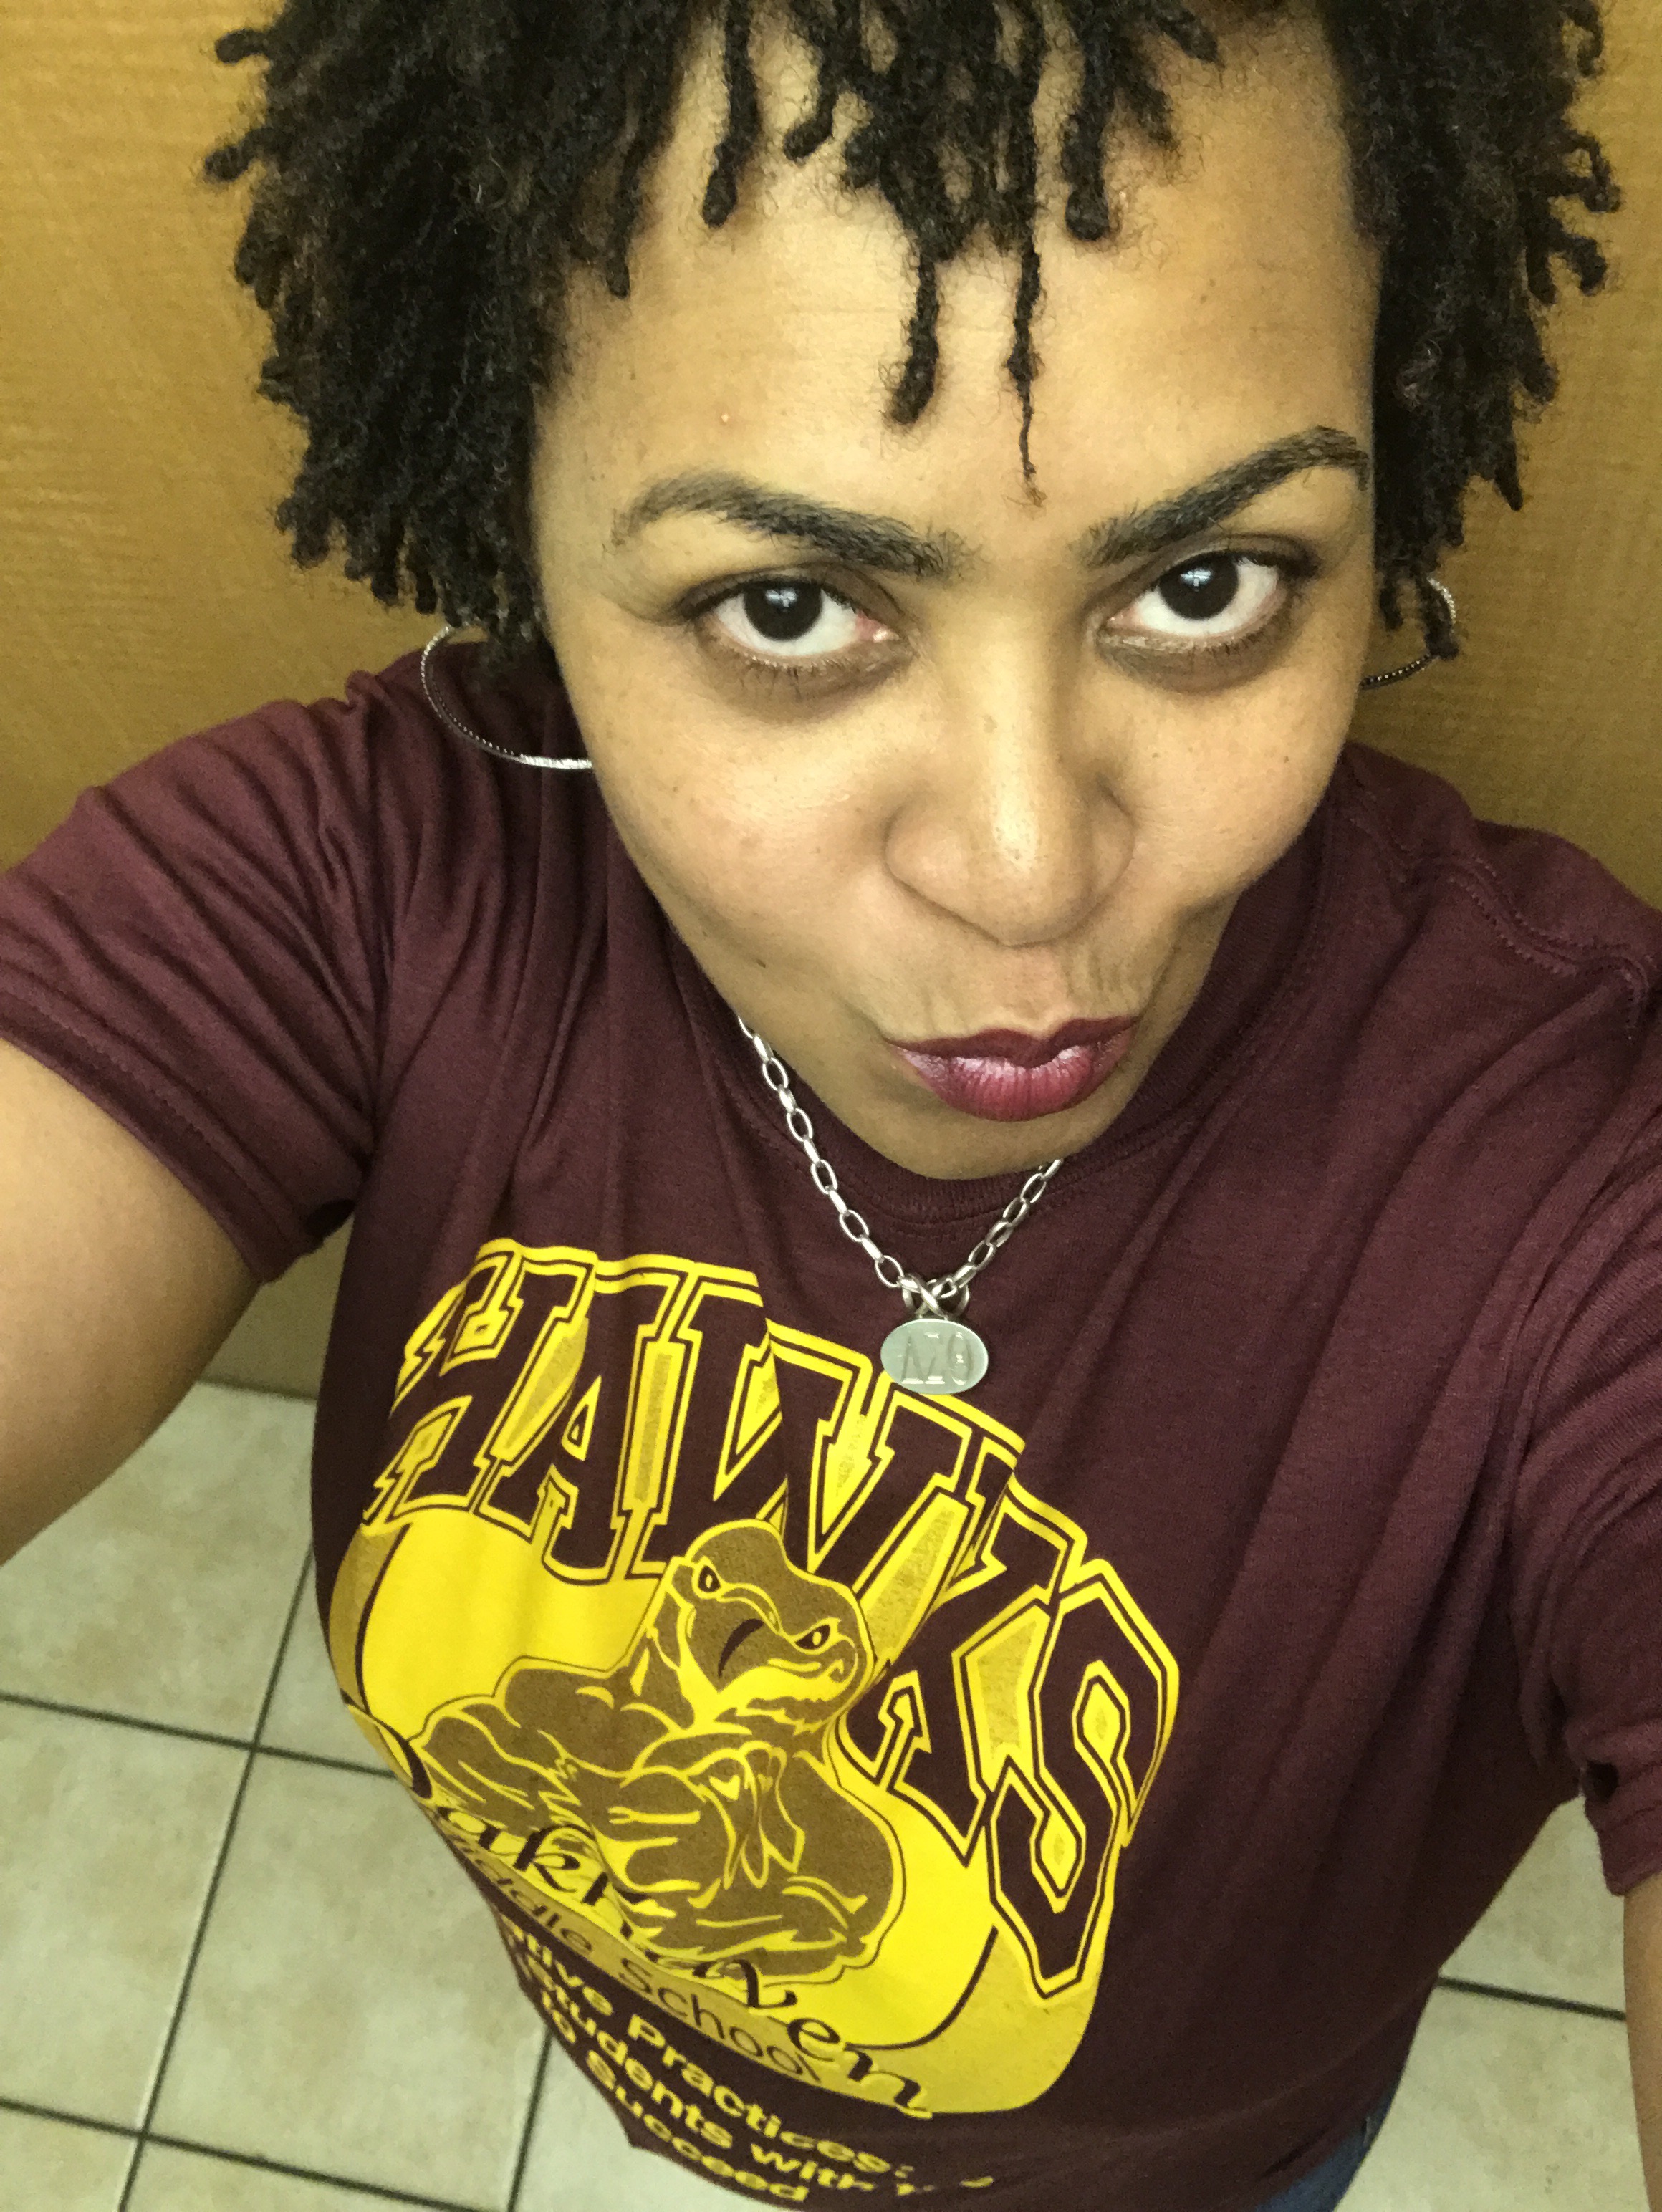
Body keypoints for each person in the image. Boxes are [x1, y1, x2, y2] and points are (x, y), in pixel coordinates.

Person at [1, 2, 1656, 2206]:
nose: (1027, 870)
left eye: (1206, 586)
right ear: (523, 543)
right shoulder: (370, 886)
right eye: (787, 605)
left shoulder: (1567, 1184)